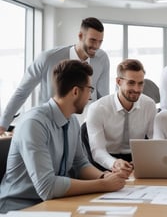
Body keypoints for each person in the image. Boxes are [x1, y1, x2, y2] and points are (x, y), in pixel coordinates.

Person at [0, 60, 125, 213]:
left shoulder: (72, 121)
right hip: (19, 207)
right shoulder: (34, 124)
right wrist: (103, 185)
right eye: (89, 89)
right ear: (75, 92)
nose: (90, 96)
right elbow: (47, 186)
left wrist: (104, 176)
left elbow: (80, 164)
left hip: (53, 204)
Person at [0, 17, 109, 135]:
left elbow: (103, 97)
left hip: (86, 127)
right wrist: (3, 123)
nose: (96, 46)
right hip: (50, 124)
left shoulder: (102, 59)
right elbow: (23, 91)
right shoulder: (48, 58)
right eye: (92, 40)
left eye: (100, 41)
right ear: (80, 36)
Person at [86, 59, 156, 179]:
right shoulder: (97, 108)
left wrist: (144, 160)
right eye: (131, 83)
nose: (137, 89)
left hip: (137, 162)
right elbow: (97, 151)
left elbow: (155, 140)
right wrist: (114, 163)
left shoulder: (149, 105)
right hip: (106, 162)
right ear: (118, 81)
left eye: (140, 83)